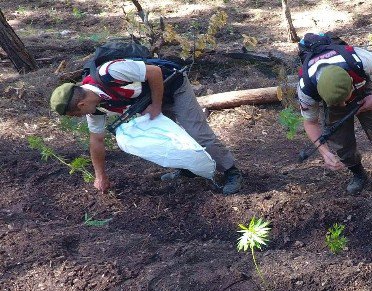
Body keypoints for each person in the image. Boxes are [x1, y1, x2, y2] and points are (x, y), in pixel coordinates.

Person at [49, 58, 242, 194]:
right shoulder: (96, 109)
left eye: (76, 114)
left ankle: (231, 171)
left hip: (173, 87)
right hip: (149, 100)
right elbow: (96, 140)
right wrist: (100, 176)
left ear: (81, 105)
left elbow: (154, 72)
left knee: (197, 133)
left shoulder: (110, 72)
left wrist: (156, 105)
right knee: (165, 138)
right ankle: (187, 168)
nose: (81, 117)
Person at [297, 35, 372, 196]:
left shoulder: (358, 59)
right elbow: (310, 123)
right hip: (333, 100)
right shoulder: (306, 87)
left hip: (363, 91)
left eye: (345, 100)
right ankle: (358, 175)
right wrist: (325, 152)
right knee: (341, 143)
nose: (345, 106)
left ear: (350, 80)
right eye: (340, 103)